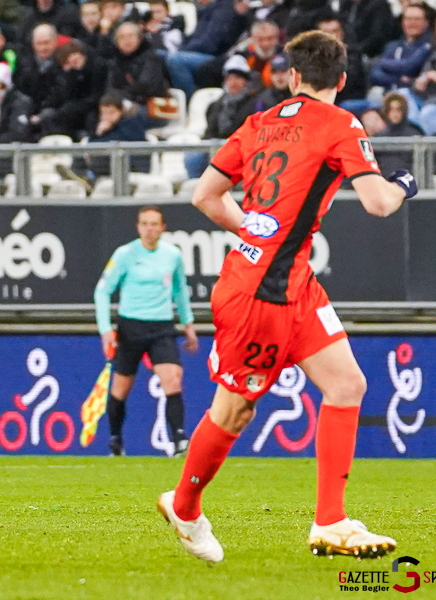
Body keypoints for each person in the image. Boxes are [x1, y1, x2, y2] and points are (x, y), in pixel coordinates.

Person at [157, 30, 416, 563]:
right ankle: (183, 506)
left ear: (292, 77)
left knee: (347, 384)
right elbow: (378, 203)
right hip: (262, 293)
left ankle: (331, 521)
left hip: (290, 280)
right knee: (234, 412)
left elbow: (205, 195)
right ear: (342, 80)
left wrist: (257, 232)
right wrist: (404, 185)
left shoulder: (259, 122)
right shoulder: (341, 123)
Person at [94, 206, 197, 457]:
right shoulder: (125, 254)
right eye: (145, 224)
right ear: (138, 227)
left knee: (172, 378)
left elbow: (180, 290)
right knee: (120, 388)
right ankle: (115, 439)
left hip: (161, 326)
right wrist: (106, 330)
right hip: (131, 326)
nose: (149, 229)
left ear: (163, 228)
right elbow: (103, 291)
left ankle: (179, 439)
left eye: (154, 224)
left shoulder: (172, 255)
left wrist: (188, 324)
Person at [369, 4, 432, 91]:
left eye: (417, 19)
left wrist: (382, 63)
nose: (412, 23)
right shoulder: (392, 45)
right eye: (408, 19)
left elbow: (409, 66)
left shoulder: (429, 45)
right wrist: (401, 80)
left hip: (415, 94)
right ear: (402, 22)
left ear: (426, 23)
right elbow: (375, 74)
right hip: (388, 93)